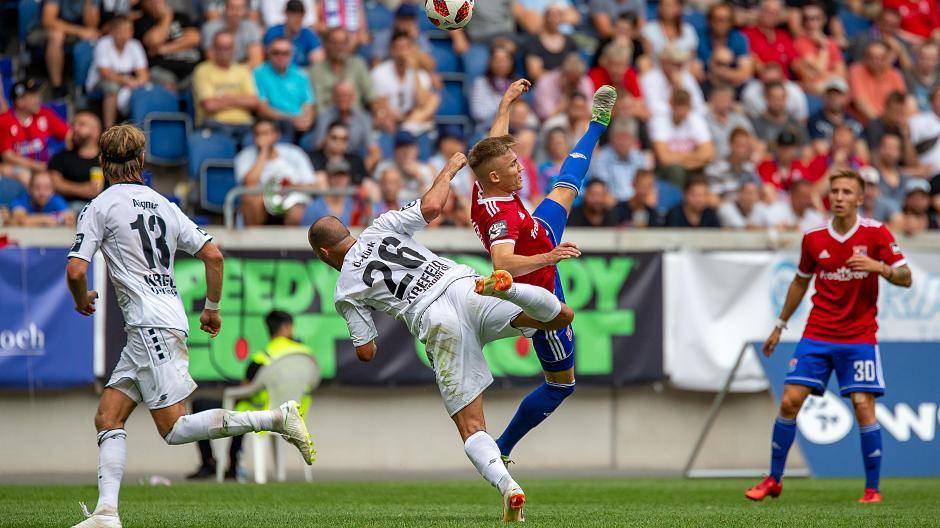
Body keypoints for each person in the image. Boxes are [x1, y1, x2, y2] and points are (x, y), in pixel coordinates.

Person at [66, 124, 312, 528]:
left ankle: (276, 419)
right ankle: (106, 513)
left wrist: (82, 300)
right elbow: (213, 256)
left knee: (175, 429)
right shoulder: (164, 205)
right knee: (108, 417)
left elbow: (77, 270)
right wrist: (212, 308)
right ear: (142, 161)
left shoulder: (100, 206)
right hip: (160, 322)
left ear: (102, 162)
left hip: (148, 325)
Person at [311, 153, 576, 522]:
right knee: (544, 319)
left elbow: (367, 351)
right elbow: (434, 206)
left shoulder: (344, 290)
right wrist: (450, 170)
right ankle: (532, 299)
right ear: (347, 232)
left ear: (324, 253)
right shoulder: (380, 225)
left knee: (471, 428)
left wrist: (366, 327)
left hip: (435, 321)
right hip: (464, 286)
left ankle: (508, 486)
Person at [467, 79, 617, 462]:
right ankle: (502, 446)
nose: (522, 169)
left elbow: (494, 148)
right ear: (497, 177)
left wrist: (505, 106)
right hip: (539, 294)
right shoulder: (500, 215)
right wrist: (550, 257)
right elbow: (503, 264)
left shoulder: (486, 185)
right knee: (560, 386)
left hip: (537, 231)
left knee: (567, 186)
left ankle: (598, 123)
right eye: (514, 166)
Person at [747, 169, 913, 505]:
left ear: (860, 198)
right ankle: (774, 479)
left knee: (863, 406)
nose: (839, 197)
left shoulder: (876, 233)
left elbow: (906, 277)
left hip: (859, 337)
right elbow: (800, 281)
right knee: (790, 400)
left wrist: (879, 268)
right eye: (835, 191)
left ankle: (872, 490)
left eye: (847, 192)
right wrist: (780, 325)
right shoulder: (814, 238)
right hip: (818, 333)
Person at [187, 310, 315, 481]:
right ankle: (232, 466)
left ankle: (213, 463)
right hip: (295, 414)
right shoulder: (306, 354)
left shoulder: (263, 357)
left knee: (220, 405)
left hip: (261, 412)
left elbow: (245, 390)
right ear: (287, 327)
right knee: (241, 409)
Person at [235, 119, 317, 226]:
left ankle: (292, 242)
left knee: (297, 210)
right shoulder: (245, 156)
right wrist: (263, 152)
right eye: (258, 134)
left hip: (291, 197)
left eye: (266, 133)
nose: (262, 138)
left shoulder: (295, 153)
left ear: (276, 135)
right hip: (262, 200)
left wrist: (290, 186)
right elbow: (249, 183)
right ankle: (255, 241)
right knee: (250, 199)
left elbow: (311, 185)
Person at [193, 31, 260, 146]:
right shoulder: (202, 70)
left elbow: (254, 102)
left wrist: (225, 99)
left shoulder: (243, 70)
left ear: (234, 49)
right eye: (220, 47)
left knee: (260, 137)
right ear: (213, 49)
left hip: (244, 125)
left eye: (228, 47)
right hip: (215, 124)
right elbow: (210, 105)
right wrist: (240, 100)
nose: (224, 51)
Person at [0, 79, 71, 186]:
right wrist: (37, 166)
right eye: (33, 96)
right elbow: (8, 156)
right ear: (20, 101)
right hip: (19, 170)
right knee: (25, 175)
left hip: (44, 168)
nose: (39, 99)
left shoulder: (45, 113)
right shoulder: (5, 121)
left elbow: (69, 134)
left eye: (38, 95)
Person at [370, 32, 440, 138]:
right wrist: (399, 118)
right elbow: (380, 104)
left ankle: (407, 128)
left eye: (407, 47)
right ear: (392, 50)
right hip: (390, 119)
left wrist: (415, 70)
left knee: (434, 99)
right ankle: (406, 128)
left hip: (413, 119)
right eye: (400, 47)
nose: (403, 52)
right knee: (381, 113)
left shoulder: (420, 74)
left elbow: (422, 102)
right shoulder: (379, 72)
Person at [87, 16, 149, 128]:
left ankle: (136, 132)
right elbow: (105, 72)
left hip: (127, 83)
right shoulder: (103, 44)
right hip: (101, 82)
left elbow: (143, 73)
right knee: (112, 87)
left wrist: (138, 82)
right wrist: (126, 81)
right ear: (112, 32)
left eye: (128, 31)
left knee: (143, 90)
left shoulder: (135, 45)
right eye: (121, 31)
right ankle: (109, 130)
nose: (125, 35)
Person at [32, 0, 101, 99]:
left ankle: (85, 87)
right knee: (56, 36)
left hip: (72, 32)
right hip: (42, 31)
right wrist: (79, 31)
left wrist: (88, 3)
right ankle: (57, 86)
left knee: (95, 35)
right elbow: (48, 21)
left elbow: (92, 26)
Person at [254, 37, 316, 141]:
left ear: (291, 55)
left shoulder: (300, 74)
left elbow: (308, 103)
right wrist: (291, 119)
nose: (280, 57)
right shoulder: (259, 73)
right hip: (275, 123)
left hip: (300, 124)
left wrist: (306, 119)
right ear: (269, 54)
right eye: (276, 53)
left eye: (285, 53)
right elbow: (262, 109)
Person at [650, 88, 715, 187]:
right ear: (671, 105)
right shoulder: (660, 121)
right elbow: (663, 158)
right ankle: (678, 199)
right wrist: (693, 157)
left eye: (684, 107)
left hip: (691, 165)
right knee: (676, 170)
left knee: (708, 167)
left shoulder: (696, 120)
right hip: (667, 169)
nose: (681, 112)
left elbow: (708, 153)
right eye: (678, 107)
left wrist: (681, 158)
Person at [133, 0, 202, 90]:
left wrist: (163, 49)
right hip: (162, 69)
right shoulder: (142, 22)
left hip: (190, 65)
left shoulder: (180, 17)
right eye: (151, 1)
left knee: (203, 78)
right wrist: (166, 18)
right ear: (144, 4)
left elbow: (195, 37)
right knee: (166, 83)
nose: (156, 3)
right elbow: (153, 41)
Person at [308, 81, 378, 162]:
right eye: (339, 95)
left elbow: (373, 149)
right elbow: (319, 146)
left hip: (353, 160)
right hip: (329, 160)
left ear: (353, 97)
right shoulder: (323, 117)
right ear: (333, 97)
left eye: (347, 95)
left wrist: (364, 167)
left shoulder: (363, 117)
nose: (343, 99)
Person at [310, 28, 373, 114]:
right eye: (334, 43)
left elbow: (371, 95)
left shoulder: (358, 64)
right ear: (327, 45)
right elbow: (318, 105)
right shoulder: (316, 71)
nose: (339, 47)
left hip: (356, 116)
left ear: (348, 45)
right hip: (327, 118)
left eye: (343, 43)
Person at [48, 111, 104, 208]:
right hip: (67, 209)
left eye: (81, 124)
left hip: (101, 209)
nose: (75, 128)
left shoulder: (107, 158)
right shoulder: (61, 157)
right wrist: (84, 190)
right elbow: (54, 183)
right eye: (73, 125)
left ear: (96, 131)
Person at [588, 116, 651, 202]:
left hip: (635, 203)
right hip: (611, 206)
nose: (623, 142)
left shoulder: (640, 158)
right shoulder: (600, 159)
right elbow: (603, 190)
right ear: (611, 138)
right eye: (619, 138)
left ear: (634, 140)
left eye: (627, 138)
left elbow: (645, 186)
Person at [791, 1, 846, 96]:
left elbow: (841, 74)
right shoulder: (800, 42)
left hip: (829, 87)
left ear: (824, 20)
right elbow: (818, 68)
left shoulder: (832, 43)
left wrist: (822, 77)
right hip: (813, 91)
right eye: (806, 19)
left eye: (815, 18)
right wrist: (823, 47)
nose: (810, 23)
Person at [848, 40, 906, 123]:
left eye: (880, 58)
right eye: (872, 57)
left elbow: (900, 103)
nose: (876, 61)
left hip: (890, 122)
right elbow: (860, 103)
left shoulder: (895, 75)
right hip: (863, 123)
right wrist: (880, 124)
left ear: (887, 59)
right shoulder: (856, 71)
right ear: (865, 58)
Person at [697, 2, 753, 88]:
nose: (721, 24)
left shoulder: (739, 38)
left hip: (733, 86)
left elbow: (745, 73)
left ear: (731, 22)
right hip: (705, 86)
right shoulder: (699, 37)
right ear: (709, 21)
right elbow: (696, 73)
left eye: (726, 20)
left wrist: (718, 72)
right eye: (718, 19)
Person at [522, 5, 580, 82]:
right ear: (544, 17)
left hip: (566, 86)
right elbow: (535, 73)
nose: (553, 19)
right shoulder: (533, 41)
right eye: (550, 15)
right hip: (541, 86)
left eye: (557, 15)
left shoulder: (570, 42)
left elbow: (575, 67)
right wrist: (557, 80)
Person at [302, 159, 367, 226]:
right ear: (328, 178)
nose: (339, 179)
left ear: (348, 178)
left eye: (342, 175)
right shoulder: (314, 207)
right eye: (335, 175)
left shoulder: (355, 205)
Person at [469, 45, 519, 131]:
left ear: (511, 62)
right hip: (488, 128)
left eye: (505, 60)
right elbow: (478, 113)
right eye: (497, 60)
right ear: (490, 62)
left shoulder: (517, 83)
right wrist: (505, 108)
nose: (501, 64)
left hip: (514, 129)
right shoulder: (481, 82)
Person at [808, 78, 863, 154]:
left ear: (846, 98)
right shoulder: (815, 121)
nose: (834, 98)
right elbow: (820, 149)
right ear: (824, 97)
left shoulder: (854, 122)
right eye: (831, 94)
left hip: (852, 164)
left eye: (839, 95)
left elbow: (862, 152)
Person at [742, 0, 797, 76]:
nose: (771, 15)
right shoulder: (747, 34)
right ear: (760, 11)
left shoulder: (784, 36)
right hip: (759, 82)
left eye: (774, 12)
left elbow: (796, 63)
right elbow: (754, 62)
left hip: (785, 83)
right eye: (767, 11)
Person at [532, 53, 595, 121]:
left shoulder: (584, 81)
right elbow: (546, 116)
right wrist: (565, 102)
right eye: (572, 81)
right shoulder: (545, 82)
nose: (576, 85)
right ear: (563, 75)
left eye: (577, 80)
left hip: (579, 122)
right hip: (551, 123)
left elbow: (591, 110)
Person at [201, 0, 263, 67]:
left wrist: (236, 73)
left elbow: (256, 61)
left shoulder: (252, 27)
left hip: (244, 71)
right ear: (224, 8)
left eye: (240, 8)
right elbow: (212, 60)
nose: (236, 12)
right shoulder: (210, 28)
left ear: (246, 10)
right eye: (232, 8)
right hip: (217, 71)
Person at [263, 0, 324, 68]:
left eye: (299, 15)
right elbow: (267, 56)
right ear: (286, 14)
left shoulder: (308, 35)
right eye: (293, 15)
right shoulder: (273, 32)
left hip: (301, 74)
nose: (296, 19)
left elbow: (318, 59)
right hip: (276, 72)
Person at [751, 81, 807, 147]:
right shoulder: (755, 125)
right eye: (774, 98)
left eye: (781, 98)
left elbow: (806, 149)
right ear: (766, 98)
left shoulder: (795, 125)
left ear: (786, 98)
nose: (778, 102)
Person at [10, 171, 75, 227]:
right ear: (29, 189)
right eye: (37, 187)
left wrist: (33, 220)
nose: (42, 193)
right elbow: (20, 220)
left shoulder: (56, 200)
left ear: (53, 190)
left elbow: (70, 218)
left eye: (47, 188)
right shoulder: (21, 200)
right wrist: (53, 218)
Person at [905, 42, 939, 112]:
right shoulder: (908, 76)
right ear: (917, 57)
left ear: (938, 60)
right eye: (924, 58)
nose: (928, 62)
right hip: (915, 117)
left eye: (932, 59)